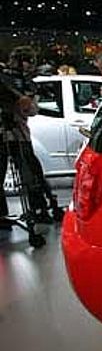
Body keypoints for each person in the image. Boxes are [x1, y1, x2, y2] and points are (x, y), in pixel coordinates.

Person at [1, 48, 52, 227]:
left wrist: (24, 101)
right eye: (28, 61)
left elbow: (32, 110)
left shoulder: (27, 83)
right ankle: (3, 216)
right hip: (5, 132)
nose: (30, 66)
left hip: (20, 133)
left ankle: (39, 209)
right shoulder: (4, 78)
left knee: (31, 173)